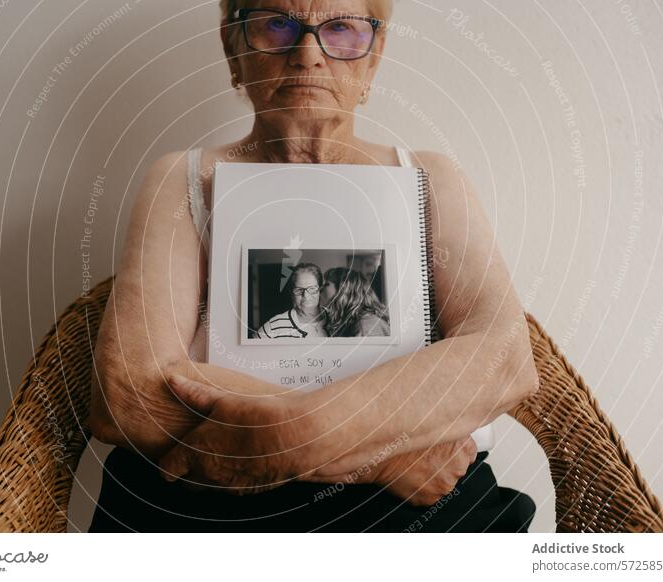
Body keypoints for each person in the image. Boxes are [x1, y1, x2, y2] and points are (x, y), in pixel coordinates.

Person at [87, 0, 539, 532]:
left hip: (421, 505)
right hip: (221, 496)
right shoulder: (183, 179)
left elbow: (504, 360)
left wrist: (290, 432)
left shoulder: (428, 178)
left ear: (373, 56)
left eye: (342, 29)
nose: (308, 54)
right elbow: (131, 398)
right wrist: (382, 457)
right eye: (277, 24)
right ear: (234, 48)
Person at [253, 263, 328, 339]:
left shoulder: (335, 319)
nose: (306, 295)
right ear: (292, 293)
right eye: (299, 290)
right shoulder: (273, 326)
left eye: (312, 288)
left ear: (320, 290)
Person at [320, 267, 390, 337]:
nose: (320, 289)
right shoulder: (347, 321)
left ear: (343, 289)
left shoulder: (366, 326)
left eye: (326, 284)